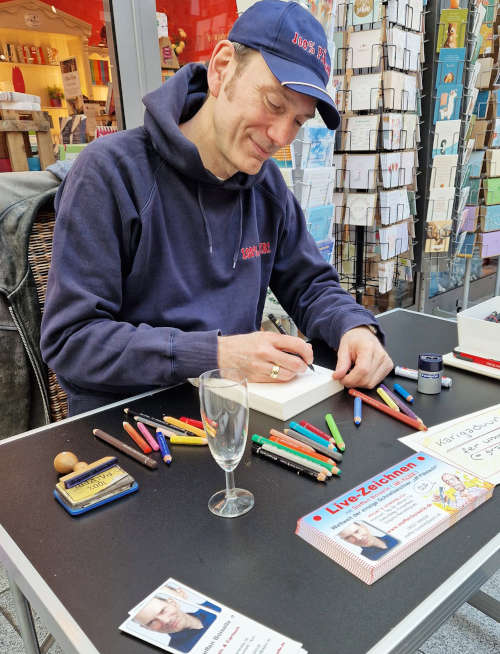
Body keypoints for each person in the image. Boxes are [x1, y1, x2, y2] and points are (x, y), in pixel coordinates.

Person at [41, 0, 393, 416]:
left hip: (234, 418)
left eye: (298, 121)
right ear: (222, 67)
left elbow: (310, 285)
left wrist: (355, 326)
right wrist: (215, 354)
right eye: (274, 104)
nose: (281, 135)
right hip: (130, 427)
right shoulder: (109, 173)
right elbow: (72, 340)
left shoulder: (267, 188)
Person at [133, 593, 220, 652]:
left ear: (173, 603)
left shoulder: (215, 604)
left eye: (163, 610)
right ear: (147, 628)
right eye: (151, 622)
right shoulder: (178, 651)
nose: (166, 620)